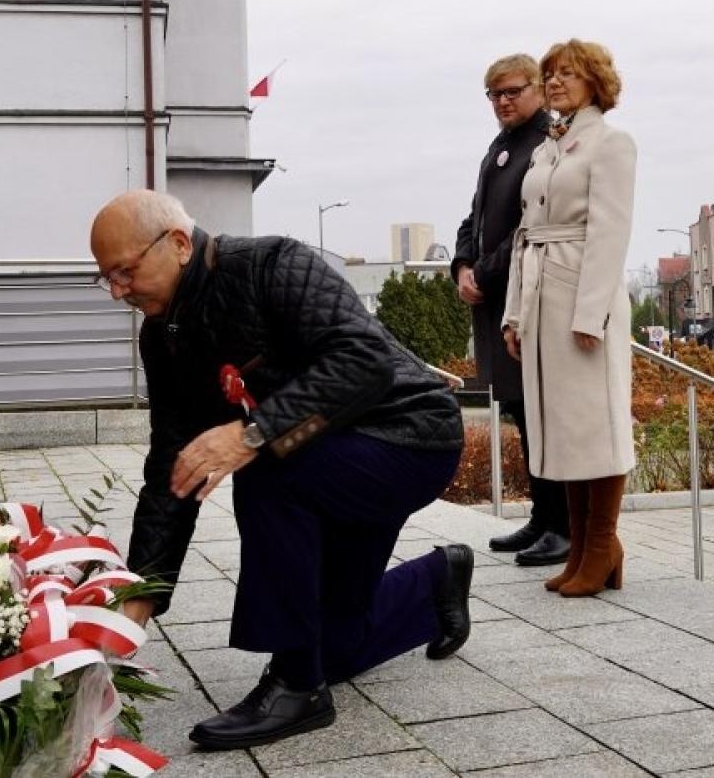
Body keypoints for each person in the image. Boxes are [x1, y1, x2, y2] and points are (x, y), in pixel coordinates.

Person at [90, 190, 469, 751]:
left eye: (125, 271)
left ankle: (296, 687)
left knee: (266, 467)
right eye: (107, 279)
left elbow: (363, 361)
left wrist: (252, 433)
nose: (119, 291)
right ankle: (435, 583)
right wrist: (138, 601)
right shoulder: (161, 336)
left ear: (176, 244)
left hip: (408, 440)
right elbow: (175, 464)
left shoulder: (272, 265)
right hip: (327, 458)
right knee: (334, 645)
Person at [502, 39, 637, 598]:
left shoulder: (610, 144)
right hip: (541, 295)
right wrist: (514, 313)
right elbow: (524, 233)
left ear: (595, 82)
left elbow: (610, 233)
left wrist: (593, 313)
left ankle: (601, 543)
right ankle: (583, 545)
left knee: (594, 425)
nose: (555, 82)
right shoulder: (548, 149)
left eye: (569, 74)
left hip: (582, 294)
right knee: (560, 428)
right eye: (551, 74)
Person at [452, 53, 572, 567]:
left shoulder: (548, 144)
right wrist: (461, 264)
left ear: (539, 91)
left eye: (512, 91)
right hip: (494, 299)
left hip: (525, 298)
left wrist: (486, 272)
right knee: (522, 414)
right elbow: (475, 217)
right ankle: (543, 518)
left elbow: (529, 225)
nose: (502, 102)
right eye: (494, 95)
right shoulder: (500, 147)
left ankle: (564, 526)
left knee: (542, 413)